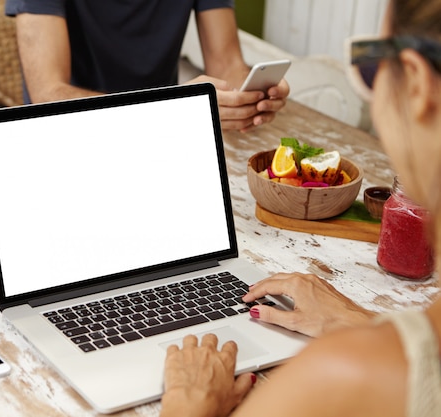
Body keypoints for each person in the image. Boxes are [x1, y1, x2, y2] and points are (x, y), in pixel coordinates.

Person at [161, 0, 441, 416]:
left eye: (368, 65)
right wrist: (364, 323)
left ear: (415, 82)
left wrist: (185, 405)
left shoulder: (340, 378)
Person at [5, 0, 289, 132]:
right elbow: (47, 94)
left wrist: (254, 91)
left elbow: (227, 64)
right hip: (67, 136)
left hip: (163, 134)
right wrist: (172, 108)